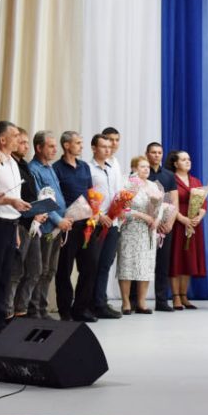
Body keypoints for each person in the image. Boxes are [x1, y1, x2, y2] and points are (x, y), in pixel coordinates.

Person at [0, 121, 32, 341]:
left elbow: (15, 198)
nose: (19, 139)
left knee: (5, 276)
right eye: (14, 135)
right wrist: (11, 201)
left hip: (12, 225)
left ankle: (2, 321)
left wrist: (17, 229)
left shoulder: (13, 162)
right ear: (2, 140)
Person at [53, 131, 100, 322]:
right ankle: (65, 310)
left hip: (87, 224)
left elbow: (91, 192)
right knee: (64, 269)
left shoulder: (84, 167)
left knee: (90, 266)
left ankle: (80, 308)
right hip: (68, 225)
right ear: (66, 145)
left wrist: (95, 211)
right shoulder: (57, 168)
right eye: (78, 143)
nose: (81, 146)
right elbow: (55, 195)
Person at [27, 131, 72, 321]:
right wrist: (58, 220)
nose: (55, 150)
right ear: (39, 148)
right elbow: (41, 200)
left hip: (57, 227)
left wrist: (65, 218)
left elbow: (56, 196)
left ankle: (43, 308)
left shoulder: (50, 168)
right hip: (46, 227)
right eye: (51, 146)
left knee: (50, 270)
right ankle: (35, 310)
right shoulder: (33, 169)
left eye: (55, 146)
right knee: (41, 270)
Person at [7, 127, 47, 320]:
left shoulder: (24, 165)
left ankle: (21, 310)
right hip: (20, 224)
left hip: (33, 224)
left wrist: (40, 209)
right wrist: (32, 213)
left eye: (25, 142)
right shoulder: (10, 165)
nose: (25, 146)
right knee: (15, 271)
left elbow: (30, 194)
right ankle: (8, 313)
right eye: (21, 142)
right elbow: (15, 197)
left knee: (35, 269)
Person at [117, 156, 160, 314]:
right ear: (134, 168)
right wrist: (143, 216)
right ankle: (126, 302)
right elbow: (122, 209)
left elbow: (160, 207)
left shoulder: (153, 185)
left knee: (145, 266)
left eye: (148, 167)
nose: (146, 169)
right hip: (130, 229)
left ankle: (142, 302)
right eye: (142, 166)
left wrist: (157, 219)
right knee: (127, 264)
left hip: (148, 231)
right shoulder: (128, 184)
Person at [88, 133, 122, 319]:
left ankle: (101, 302)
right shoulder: (88, 169)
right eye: (103, 147)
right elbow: (87, 195)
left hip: (113, 222)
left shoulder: (112, 167)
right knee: (93, 264)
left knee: (106, 264)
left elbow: (116, 193)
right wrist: (100, 215)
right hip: (97, 223)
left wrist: (121, 206)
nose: (108, 150)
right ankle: (90, 302)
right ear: (94, 148)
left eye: (109, 147)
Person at [168, 150, 208, 310]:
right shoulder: (171, 180)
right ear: (175, 163)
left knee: (188, 259)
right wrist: (183, 219)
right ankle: (175, 296)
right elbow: (169, 204)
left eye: (189, 159)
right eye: (183, 159)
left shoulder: (196, 181)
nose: (187, 161)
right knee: (176, 259)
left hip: (193, 224)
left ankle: (184, 295)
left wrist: (199, 216)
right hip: (177, 222)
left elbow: (203, 203)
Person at [145, 142, 177, 312]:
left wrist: (169, 223)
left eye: (159, 152)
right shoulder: (142, 173)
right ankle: (136, 300)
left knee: (162, 264)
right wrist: (151, 221)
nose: (157, 155)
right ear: (147, 154)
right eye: (153, 152)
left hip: (164, 226)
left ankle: (162, 300)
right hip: (145, 225)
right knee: (142, 262)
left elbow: (174, 201)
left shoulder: (169, 175)